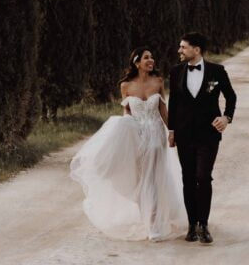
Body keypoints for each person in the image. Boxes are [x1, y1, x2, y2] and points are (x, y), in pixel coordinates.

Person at [70, 47, 186, 241]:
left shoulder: (158, 82)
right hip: (136, 136)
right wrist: (124, 131)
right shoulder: (125, 86)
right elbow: (128, 113)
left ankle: (155, 225)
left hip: (156, 136)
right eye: (147, 57)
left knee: (154, 179)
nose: (152, 60)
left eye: (152, 56)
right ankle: (148, 218)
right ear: (136, 62)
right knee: (140, 178)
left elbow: (163, 110)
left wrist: (172, 131)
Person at [167, 31, 237, 244]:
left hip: (209, 134)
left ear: (196, 50)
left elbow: (231, 96)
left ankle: (204, 225)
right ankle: (192, 224)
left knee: (203, 177)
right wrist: (171, 131)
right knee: (188, 178)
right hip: (185, 134)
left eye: (183, 47)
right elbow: (174, 103)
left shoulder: (217, 71)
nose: (180, 50)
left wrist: (227, 118)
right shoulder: (176, 71)